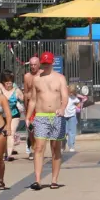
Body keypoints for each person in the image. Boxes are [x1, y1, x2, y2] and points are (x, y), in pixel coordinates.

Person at [30, 52, 69, 190]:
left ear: (52, 63)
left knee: (55, 148)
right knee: (39, 147)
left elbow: (65, 96)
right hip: (41, 116)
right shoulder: (36, 79)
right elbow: (33, 100)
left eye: (48, 63)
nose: (46, 66)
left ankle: (54, 180)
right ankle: (38, 180)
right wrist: (29, 117)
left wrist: (63, 108)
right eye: (44, 63)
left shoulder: (60, 78)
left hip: (56, 116)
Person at [1, 72, 23, 160]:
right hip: (2, 115)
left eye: (10, 82)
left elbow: (24, 99)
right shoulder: (0, 90)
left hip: (14, 115)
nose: (9, 84)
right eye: (6, 83)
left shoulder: (16, 91)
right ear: (3, 82)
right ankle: (3, 153)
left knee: (10, 133)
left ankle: (8, 155)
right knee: (3, 134)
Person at [62, 85, 86, 153]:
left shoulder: (74, 98)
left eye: (72, 92)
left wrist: (79, 105)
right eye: (70, 92)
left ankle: (71, 146)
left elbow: (78, 104)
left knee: (72, 132)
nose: (71, 94)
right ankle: (63, 145)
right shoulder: (64, 96)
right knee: (64, 132)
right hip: (64, 116)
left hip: (72, 116)